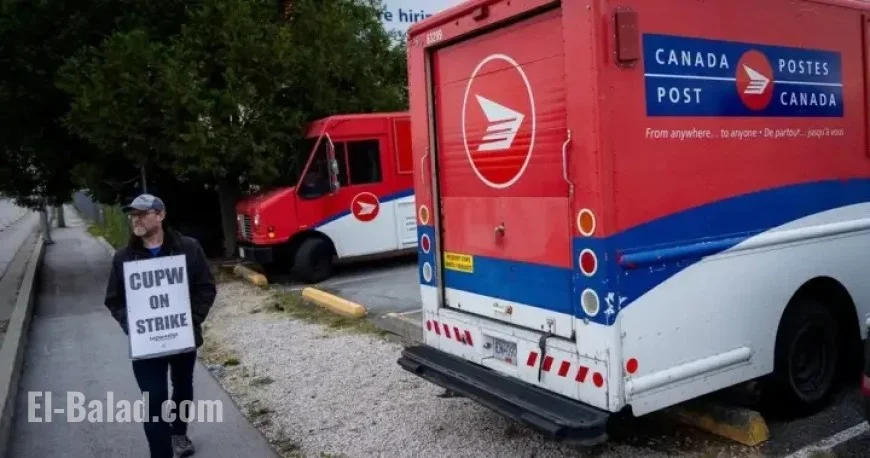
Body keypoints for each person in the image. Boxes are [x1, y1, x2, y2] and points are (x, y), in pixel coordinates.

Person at [103, 193, 217, 458]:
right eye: (133, 215)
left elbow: (206, 288)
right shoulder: (124, 258)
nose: (136, 220)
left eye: (142, 213)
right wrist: (132, 325)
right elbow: (114, 299)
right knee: (153, 399)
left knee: (183, 387)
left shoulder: (188, 248)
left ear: (161, 215)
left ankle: (178, 433)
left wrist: (192, 320)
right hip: (146, 345)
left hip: (182, 339)